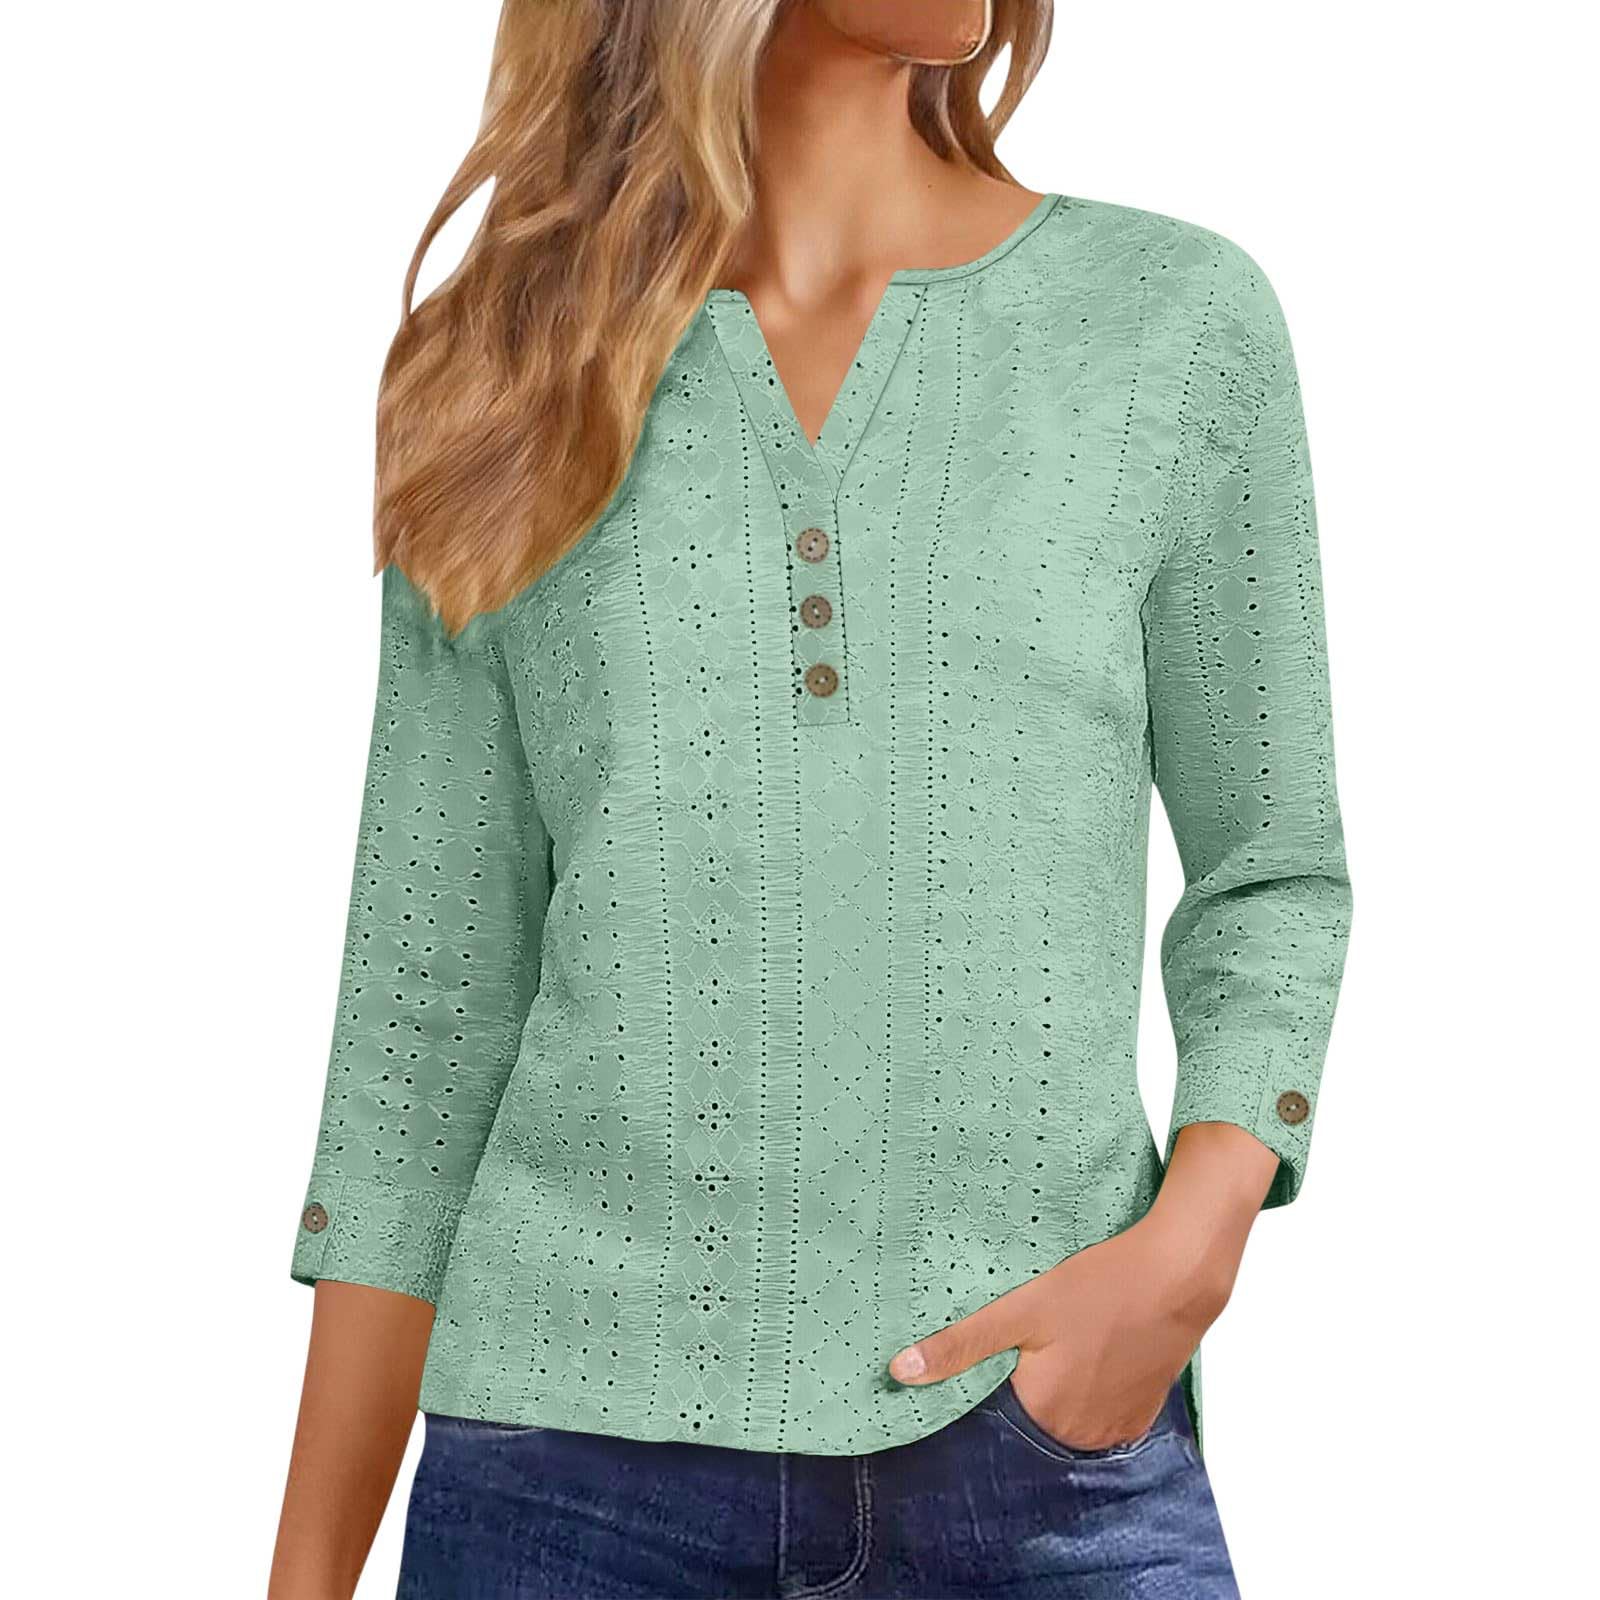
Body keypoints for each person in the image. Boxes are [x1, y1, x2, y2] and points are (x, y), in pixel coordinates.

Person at [269, 2, 1352, 1595]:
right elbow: (425, 1025)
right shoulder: (505, 364)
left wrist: (1186, 1260)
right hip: (565, 1488)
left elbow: (1272, 871)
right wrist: (304, 1576)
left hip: (1045, 1465)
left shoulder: (1168, 324)